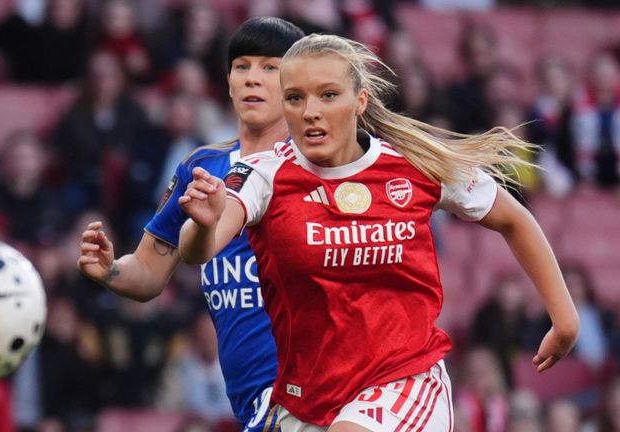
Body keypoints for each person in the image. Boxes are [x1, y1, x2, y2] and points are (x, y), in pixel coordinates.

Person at [178, 34, 580, 431]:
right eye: (295, 98)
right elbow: (198, 250)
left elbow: (513, 218)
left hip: (406, 381)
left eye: (328, 95)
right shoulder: (262, 174)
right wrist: (204, 223)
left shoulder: (414, 165)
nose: (311, 111)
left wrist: (565, 319)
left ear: (360, 101)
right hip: (308, 400)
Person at [77, 17, 304, 431]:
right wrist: (110, 271)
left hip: (310, 396)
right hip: (251, 403)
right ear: (229, 83)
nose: (252, 78)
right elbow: (148, 273)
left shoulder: (319, 168)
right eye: (242, 66)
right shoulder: (202, 167)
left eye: (270, 67)